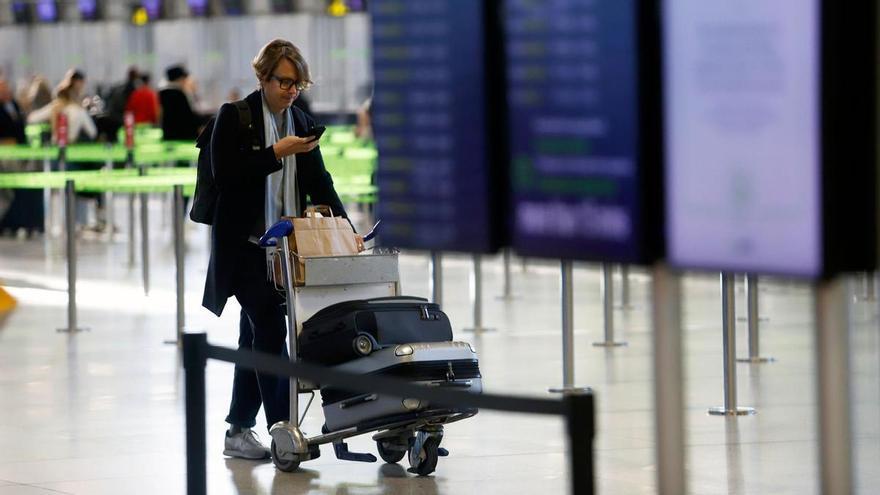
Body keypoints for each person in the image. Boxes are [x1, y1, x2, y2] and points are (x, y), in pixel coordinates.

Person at [201, 39, 349, 460]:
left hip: (282, 251)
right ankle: (284, 428)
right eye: (284, 81)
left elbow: (320, 182)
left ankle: (237, 430)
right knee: (268, 326)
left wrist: (345, 228)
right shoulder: (235, 117)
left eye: (298, 84)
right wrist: (274, 153)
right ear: (263, 77)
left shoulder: (300, 119)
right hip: (245, 248)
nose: (291, 91)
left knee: (253, 334)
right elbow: (226, 177)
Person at [159, 65, 201, 141]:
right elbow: (188, 116)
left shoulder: (162, 93)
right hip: (183, 136)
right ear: (179, 78)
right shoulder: (179, 94)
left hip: (168, 134)